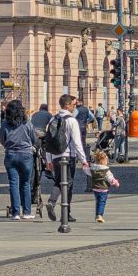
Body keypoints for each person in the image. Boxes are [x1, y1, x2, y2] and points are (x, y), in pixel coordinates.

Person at [44, 93, 90, 225]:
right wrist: (84, 159)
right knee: (68, 184)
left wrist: (48, 160)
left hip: (55, 156)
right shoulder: (71, 121)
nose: (74, 107)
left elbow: (49, 141)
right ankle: (66, 213)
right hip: (69, 156)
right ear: (68, 105)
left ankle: (51, 202)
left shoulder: (53, 120)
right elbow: (77, 142)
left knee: (59, 181)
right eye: (73, 105)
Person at [0, 99, 37, 220]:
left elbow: (1, 139)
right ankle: (26, 212)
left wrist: (8, 146)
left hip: (11, 155)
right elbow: (34, 139)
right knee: (25, 183)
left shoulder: (5, 124)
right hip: (26, 155)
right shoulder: (27, 123)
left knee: (13, 183)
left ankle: (15, 213)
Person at [28, 99, 52, 209]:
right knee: (46, 147)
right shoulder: (49, 114)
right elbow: (51, 127)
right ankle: (46, 163)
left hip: (33, 134)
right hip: (42, 133)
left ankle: (37, 155)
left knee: (35, 150)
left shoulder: (35, 114)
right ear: (46, 109)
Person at [88, 144, 120, 222]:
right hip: (103, 189)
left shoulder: (93, 169)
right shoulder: (106, 170)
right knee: (102, 202)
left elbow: (87, 171)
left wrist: (85, 166)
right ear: (104, 161)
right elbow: (110, 179)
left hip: (95, 188)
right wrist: (116, 183)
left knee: (98, 201)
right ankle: (99, 215)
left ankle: (97, 215)